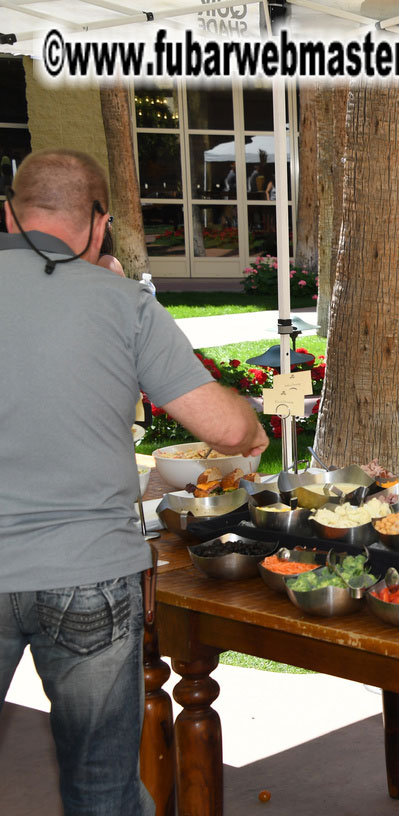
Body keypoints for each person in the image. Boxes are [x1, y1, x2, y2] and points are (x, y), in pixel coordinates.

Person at [0, 149, 267, 815]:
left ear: (8, 212)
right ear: (99, 223)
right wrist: (253, 421)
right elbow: (227, 432)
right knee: (102, 790)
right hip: (89, 573)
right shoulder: (122, 302)